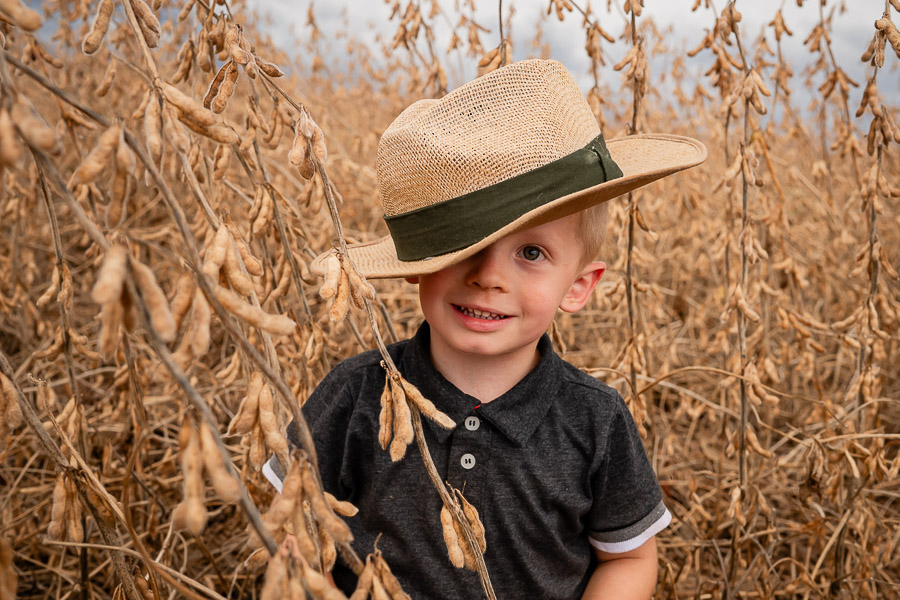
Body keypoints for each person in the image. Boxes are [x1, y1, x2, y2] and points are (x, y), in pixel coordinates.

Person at [264, 59, 706, 599]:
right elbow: (291, 526)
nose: (488, 277)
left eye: (531, 252)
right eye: (464, 248)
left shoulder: (594, 419)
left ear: (579, 285)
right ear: (419, 265)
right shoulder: (355, 394)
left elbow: (630, 557)